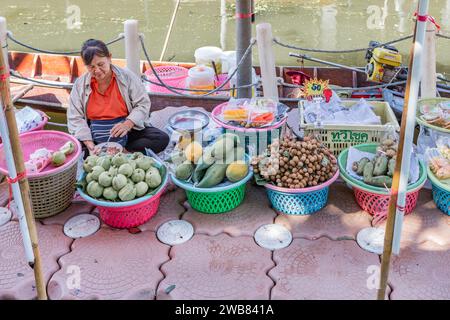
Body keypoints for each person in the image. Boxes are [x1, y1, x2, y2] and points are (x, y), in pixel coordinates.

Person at [67, 39, 169, 156]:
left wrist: (128, 124)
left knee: (160, 138)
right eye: (91, 67)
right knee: (73, 148)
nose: (97, 71)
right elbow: (75, 117)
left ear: (109, 58)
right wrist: (90, 145)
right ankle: (98, 152)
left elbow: (142, 104)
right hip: (93, 135)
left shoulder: (126, 77)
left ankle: (124, 152)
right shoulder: (80, 84)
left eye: (101, 64)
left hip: (126, 131)